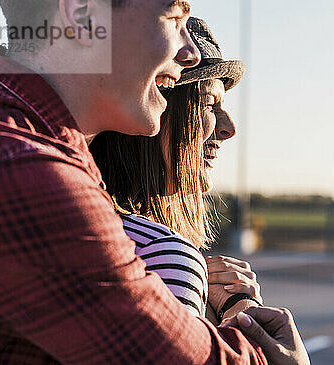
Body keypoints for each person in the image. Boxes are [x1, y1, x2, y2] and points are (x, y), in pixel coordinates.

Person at [0, 1, 310, 364]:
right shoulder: (24, 171)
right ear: (82, 16)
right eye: (173, 18)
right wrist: (258, 337)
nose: (188, 52)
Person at [89, 17, 262, 325]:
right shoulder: (161, 256)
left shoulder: (81, 224)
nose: (228, 128)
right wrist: (242, 318)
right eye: (209, 105)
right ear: (154, 104)